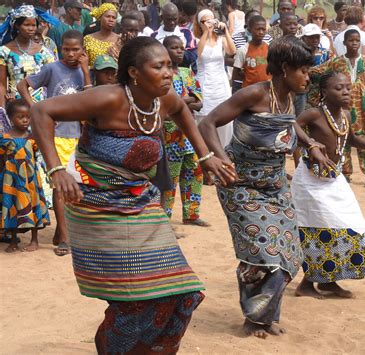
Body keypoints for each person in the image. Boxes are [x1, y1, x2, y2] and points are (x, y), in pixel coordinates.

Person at [30, 36, 236, 353]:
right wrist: (57, 171)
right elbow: (42, 111)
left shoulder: (164, 99)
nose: (168, 72)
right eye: (159, 66)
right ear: (134, 73)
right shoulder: (107, 98)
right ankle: (112, 347)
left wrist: (206, 157)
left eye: (169, 65)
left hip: (141, 202)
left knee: (180, 290)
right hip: (96, 205)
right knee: (133, 297)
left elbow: (183, 111)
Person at [199, 37, 326, 338]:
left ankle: (266, 315)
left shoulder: (291, 98)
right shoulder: (254, 94)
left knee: (288, 252)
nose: (308, 77)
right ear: (285, 68)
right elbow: (208, 123)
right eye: (304, 71)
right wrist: (219, 159)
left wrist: (310, 145)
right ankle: (253, 319)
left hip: (276, 185)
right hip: (240, 186)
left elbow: (289, 123)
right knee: (261, 250)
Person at [292, 74, 365, 299]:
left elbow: (351, 140)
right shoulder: (314, 113)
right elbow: (292, 125)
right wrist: (310, 144)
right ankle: (307, 283)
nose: (346, 92)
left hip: (334, 178)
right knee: (320, 230)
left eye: (348, 88)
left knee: (352, 227)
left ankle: (328, 280)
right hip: (311, 181)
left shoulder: (345, 115)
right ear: (324, 92)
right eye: (339, 88)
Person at [17, 30, 91, 256]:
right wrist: (36, 109)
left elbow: (89, 99)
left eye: (75, 49)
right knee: (60, 187)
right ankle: (66, 239)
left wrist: (86, 71)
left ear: (82, 51)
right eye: (66, 49)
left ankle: (63, 230)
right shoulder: (52, 68)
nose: (70, 53)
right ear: (60, 50)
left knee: (78, 187)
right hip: (56, 135)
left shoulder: (85, 72)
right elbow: (22, 86)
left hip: (79, 136)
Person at [308, 29, 365, 187]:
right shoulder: (337, 62)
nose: (354, 43)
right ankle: (345, 173)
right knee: (342, 139)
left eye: (357, 40)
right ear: (344, 43)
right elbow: (316, 72)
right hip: (342, 109)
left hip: (364, 108)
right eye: (351, 40)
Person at [162, 35, 209, 227]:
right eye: (174, 47)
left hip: (189, 133)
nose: (180, 51)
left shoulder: (187, 73)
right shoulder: (162, 75)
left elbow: (199, 102)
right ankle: (164, 218)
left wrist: (182, 102)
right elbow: (166, 105)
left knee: (194, 172)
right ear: (165, 51)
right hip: (170, 133)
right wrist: (186, 101)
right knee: (170, 176)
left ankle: (191, 214)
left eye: (182, 47)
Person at [1, 99, 50, 253]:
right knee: (12, 207)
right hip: (12, 179)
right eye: (20, 117)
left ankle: (34, 240)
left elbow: (38, 156)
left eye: (27, 117)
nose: (25, 120)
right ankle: (14, 240)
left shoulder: (32, 137)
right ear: (10, 118)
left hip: (30, 179)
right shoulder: (5, 138)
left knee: (33, 206)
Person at [194, 9, 235, 148]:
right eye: (205, 20)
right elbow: (198, 54)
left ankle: (224, 150)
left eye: (212, 19)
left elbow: (232, 51)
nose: (209, 23)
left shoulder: (220, 39)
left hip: (220, 84)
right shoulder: (197, 40)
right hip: (205, 84)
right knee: (204, 117)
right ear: (200, 24)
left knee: (224, 118)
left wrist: (226, 32)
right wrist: (207, 31)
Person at [0, 5, 56, 108]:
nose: (31, 29)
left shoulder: (45, 52)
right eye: (26, 25)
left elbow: (52, 80)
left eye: (34, 25)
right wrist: (2, 111)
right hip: (16, 106)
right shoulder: (4, 52)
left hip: (41, 105)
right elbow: (1, 85)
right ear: (17, 26)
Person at [232, 15, 270, 89]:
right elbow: (235, 74)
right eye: (258, 29)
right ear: (250, 29)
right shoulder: (243, 50)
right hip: (249, 91)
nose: (261, 32)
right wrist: (248, 77)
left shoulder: (270, 48)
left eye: (263, 29)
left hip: (267, 90)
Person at [154, 2, 197, 69]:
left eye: (175, 19)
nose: (172, 22)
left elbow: (193, 56)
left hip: (182, 74)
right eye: (169, 19)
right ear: (162, 17)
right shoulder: (154, 36)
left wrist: (174, 53)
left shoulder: (186, 33)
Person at [83, 3, 119, 67]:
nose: (111, 20)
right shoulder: (88, 39)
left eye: (114, 17)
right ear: (100, 18)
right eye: (108, 16)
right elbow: (84, 62)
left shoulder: (119, 40)